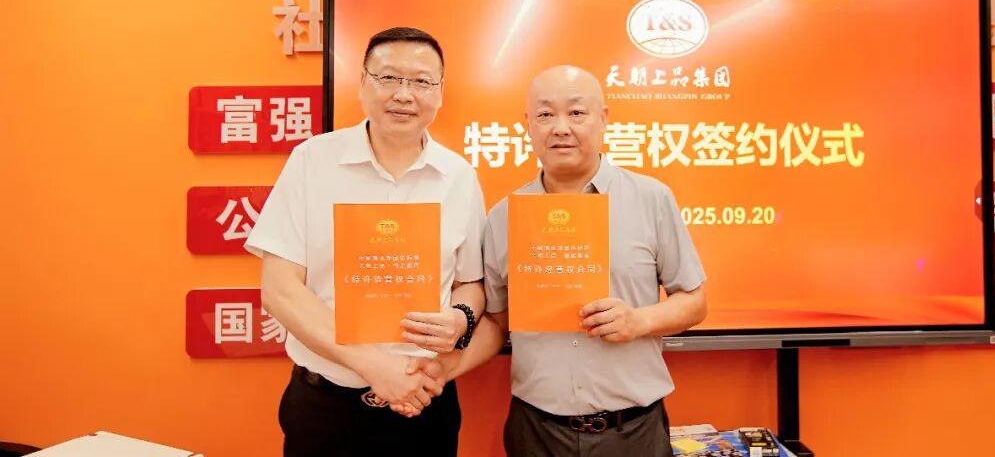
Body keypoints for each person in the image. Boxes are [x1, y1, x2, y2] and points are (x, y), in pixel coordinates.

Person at [427, 64, 707, 456]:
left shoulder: (651, 198)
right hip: (537, 431)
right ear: (528, 125)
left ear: (603, 118)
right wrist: (447, 367)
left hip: (632, 431)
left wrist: (638, 321)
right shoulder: (504, 216)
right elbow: (497, 321)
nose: (560, 128)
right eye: (545, 114)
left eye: (576, 112)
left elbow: (694, 301)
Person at [245, 26, 485, 457]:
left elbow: (470, 282)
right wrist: (373, 366)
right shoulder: (312, 161)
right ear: (362, 83)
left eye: (421, 81)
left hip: (424, 403)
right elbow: (280, 290)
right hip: (325, 406)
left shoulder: (459, 176)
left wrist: (461, 318)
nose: (404, 94)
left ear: (440, 93)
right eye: (388, 77)